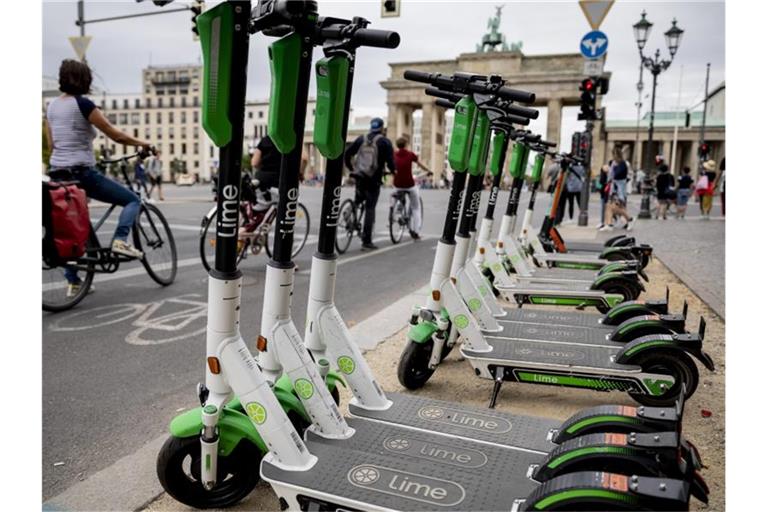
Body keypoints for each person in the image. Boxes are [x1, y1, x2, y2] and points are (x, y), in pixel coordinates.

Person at [44, 59, 152, 297]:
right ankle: (120, 240)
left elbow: (52, 144)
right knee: (133, 199)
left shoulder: (51, 107)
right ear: (84, 79)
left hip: (57, 174)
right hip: (81, 173)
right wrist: (143, 143)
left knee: (67, 228)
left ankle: (73, 280)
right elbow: (115, 135)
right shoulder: (83, 104)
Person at [344, 117, 395, 251]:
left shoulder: (361, 139)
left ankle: (350, 211)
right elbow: (390, 162)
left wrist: (352, 169)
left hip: (360, 176)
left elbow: (347, 154)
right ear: (382, 128)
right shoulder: (385, 142)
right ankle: (367, 241)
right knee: (370, 208)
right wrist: (394, 171)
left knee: (359, 199)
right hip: (374, 179)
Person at [250, 134, 308, 211]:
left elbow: (254, 163)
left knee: (260, 203)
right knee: (285, 206)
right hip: (282, 181)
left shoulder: (266, 139)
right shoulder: (293, 138)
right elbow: (304, 159)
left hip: (262, 179)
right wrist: (300, 174)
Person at [393, 137, 431, 240]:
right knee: (416, 207)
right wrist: (428, 170)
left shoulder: (394, 154)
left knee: (396, 194)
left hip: (397, 184)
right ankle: (416, 232)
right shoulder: (410, 154)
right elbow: (420, 164)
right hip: (409, 184)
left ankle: (397, 211)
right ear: (406, 145)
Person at [596, 164, 610, 229]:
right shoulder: (608, 175)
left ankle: (603, 222)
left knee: (604, 209)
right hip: (605, 194)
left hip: (605, 194)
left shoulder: (604, 175)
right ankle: (604, 222)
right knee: (605, 208)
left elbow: (601, 182)